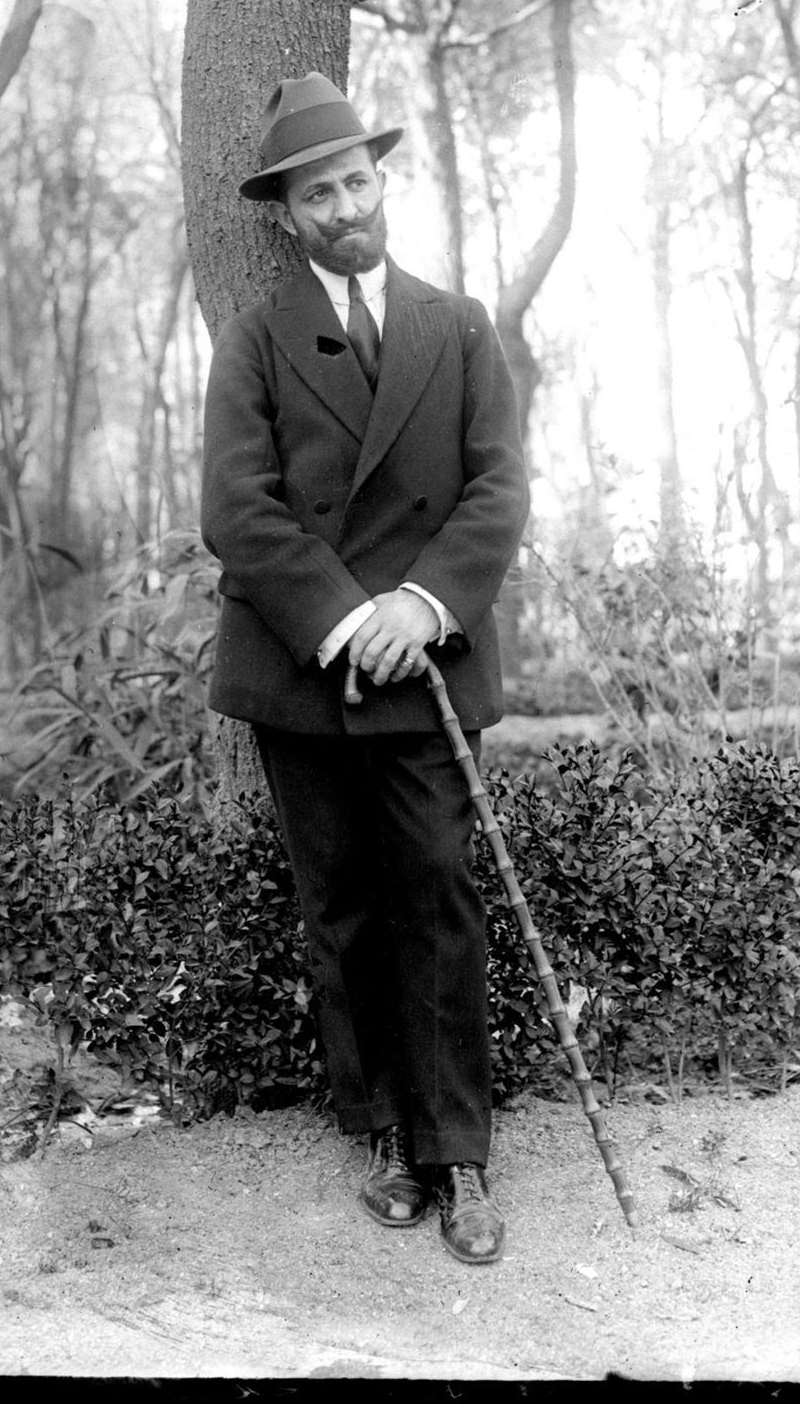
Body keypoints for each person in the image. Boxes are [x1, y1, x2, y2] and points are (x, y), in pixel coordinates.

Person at [201, 72, 530, 1265]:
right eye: (315, 193)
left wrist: (421, 604)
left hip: (426, 660)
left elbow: (497, 489)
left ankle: (461, 1154)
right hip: (308, 667)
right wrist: (351, 617)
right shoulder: (256, 339)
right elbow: (237, 509)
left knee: (437, 896)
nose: (342, 205)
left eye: (354, 179)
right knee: (340, 907)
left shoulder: (458, 325)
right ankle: (386, 1135)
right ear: (287, 216)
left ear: (381, 181)